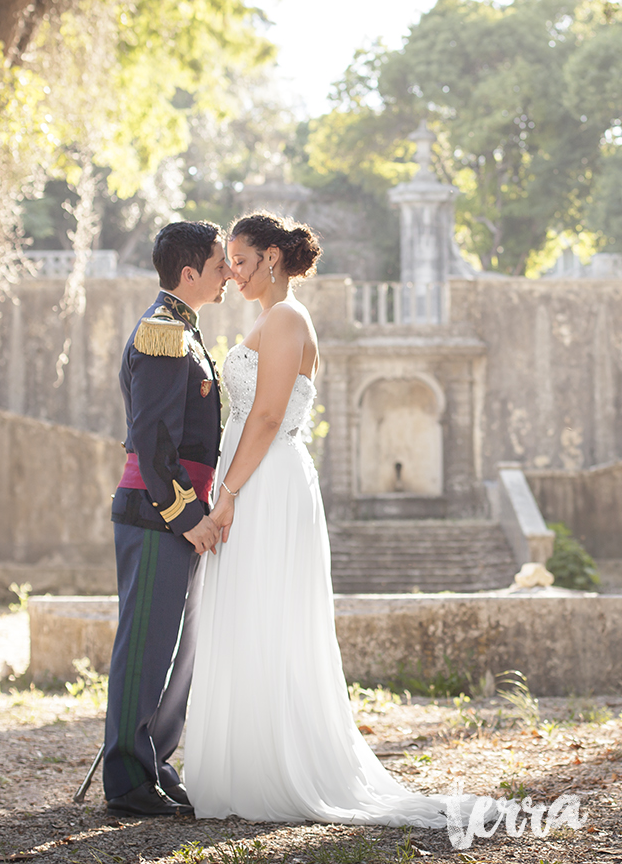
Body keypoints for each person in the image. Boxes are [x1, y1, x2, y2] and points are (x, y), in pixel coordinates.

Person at [183, 211, 448, 827]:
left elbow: (269, 416)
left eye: (243, 261)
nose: (235, 273)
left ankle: (275, 767)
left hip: (265, 482)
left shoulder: (285, 318)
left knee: (266, 612)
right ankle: (242, 762)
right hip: (256, 475)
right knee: (248, 613)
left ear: (272, 257)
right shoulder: (271, 319)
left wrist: (225, 495)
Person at [101, 220, 231, 818]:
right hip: (159, 514)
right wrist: (187, 516)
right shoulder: (161, 333)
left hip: (180, 514)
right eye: (219, 264)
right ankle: (127, 778)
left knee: (176, 647)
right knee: (147, 644)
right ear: (189, 273)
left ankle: (153, 761)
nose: (229, 273)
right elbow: (152, 440)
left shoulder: (186, 331)